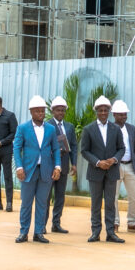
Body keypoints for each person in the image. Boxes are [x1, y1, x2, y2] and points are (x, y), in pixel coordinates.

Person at [12, 96, 62, 244]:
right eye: (38, 111)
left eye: (42, 111)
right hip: (28, 171)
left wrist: (57, 167)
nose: (41, 113)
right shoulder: (22, 128)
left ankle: (39, 232)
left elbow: (56, 149)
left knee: (42, 203)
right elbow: (16, 148)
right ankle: (23, 232)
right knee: (26, 203)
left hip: (46, 171)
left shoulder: (51, 129)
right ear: (31, 112)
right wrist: (19, 167)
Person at [80, 96, 126, 243]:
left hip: (112, 171)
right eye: (100, 110)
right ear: (96, 112)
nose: (103, 113)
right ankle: (95, 232)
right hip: (95, 172)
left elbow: (121, 148)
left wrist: (113, 160)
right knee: (96, 203)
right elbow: (84, 151)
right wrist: (98, 162)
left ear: (109, 111)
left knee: (110, 202)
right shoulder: (88, 129)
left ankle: (111, 232)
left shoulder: (116, 129)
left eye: (106, 110)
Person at [111, 99, 135, 233]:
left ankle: (132, 223)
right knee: (113, 196)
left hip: (131, 166)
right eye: (120, 114)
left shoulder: (131, 128)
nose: (123, 117)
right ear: (114, 114)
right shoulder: (110, 128)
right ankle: (114, 223)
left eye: (125, 114)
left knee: (134, 195)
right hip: (116, 166)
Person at [45, 96, 77, 234]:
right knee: (45, 197)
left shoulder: (69, 127)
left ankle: (56, 224)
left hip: (63, 165)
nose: (60, 113)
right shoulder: (46, 125)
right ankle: (42, 224)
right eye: (58, 110)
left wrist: (74, 163)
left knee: (60, 196)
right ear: (52, 111)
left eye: (63, 110)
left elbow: (74, 146)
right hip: (49, 166)